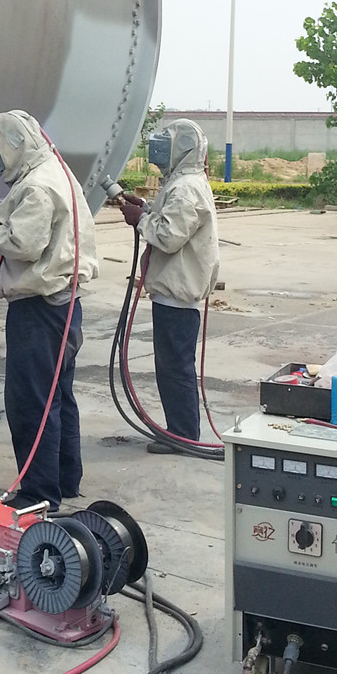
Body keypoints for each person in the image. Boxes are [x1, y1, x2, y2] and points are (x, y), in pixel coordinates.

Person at [0, 110, 98, 511]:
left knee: (31, 402)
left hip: (40, 309)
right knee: (57, 396)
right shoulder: (55, 171)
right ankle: (64, 479)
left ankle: (39, 494)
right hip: (65, 305)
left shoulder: (37, 186)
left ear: (14, 145)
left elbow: (24, 245)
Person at [118, 118, 219, 453]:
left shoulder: (185, 188)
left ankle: (183, 435)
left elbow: (168, 235)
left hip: (177, 296)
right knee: (173, 367)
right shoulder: (183, 183)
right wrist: (147, 209)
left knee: (175, 369)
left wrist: (141, 221)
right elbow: (172, 220)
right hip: (173, 293)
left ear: (181, 149)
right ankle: (181, 431)